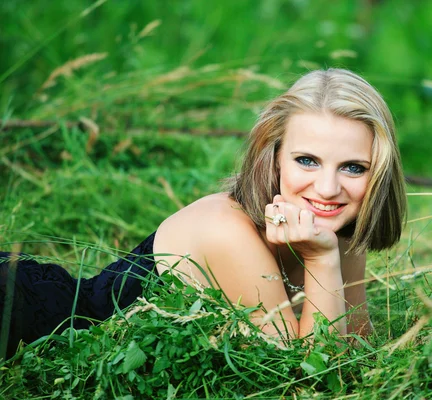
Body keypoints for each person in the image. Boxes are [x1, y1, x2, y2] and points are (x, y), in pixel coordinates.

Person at [0, 68, 406, 359]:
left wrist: (326, 254)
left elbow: (355, 349)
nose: (328, 188)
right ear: (274, 156)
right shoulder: (227, 229)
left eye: (353, 167)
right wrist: (320, 259)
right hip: (29, 321)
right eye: (307, 160)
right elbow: (307, 375)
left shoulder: (336, 228)